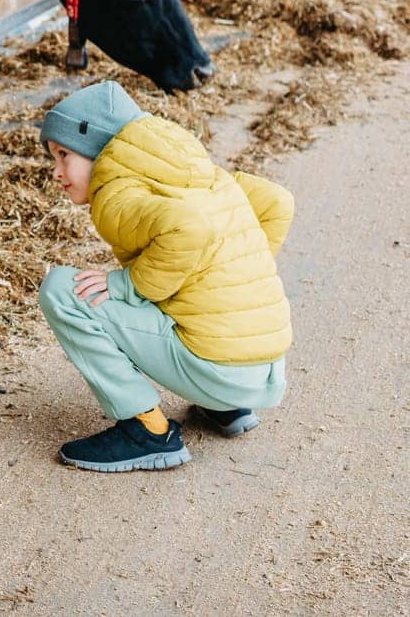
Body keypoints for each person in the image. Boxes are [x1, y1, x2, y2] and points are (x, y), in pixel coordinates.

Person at [36, 80, 293, 472]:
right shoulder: (198, 175)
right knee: (174, 278)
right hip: (266, 368)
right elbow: (277, 202)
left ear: (97, 149)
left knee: (61, 290)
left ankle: (146, 431)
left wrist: (127, 285)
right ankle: (223, 407)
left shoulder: (114, 195)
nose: (56, 172)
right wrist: (229, 281)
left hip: (219, 369)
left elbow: (188, 231)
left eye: (63, 154)